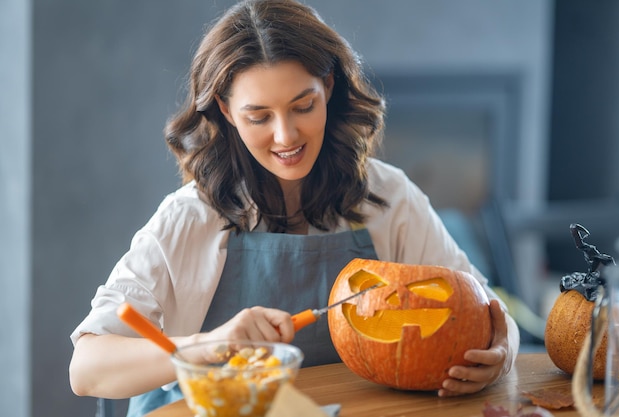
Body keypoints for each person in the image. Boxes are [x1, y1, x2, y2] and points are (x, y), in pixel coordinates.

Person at [69, 0, 520, 415]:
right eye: (259, 116)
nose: (286, 137)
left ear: (327, 87)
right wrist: (209, 344)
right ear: (226, 111)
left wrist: (501, 356)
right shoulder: (192, 217)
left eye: (303, 106)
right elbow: (86, 369)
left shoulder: (385, 197)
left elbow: (485, 312)